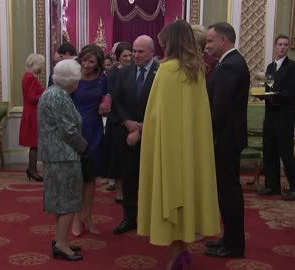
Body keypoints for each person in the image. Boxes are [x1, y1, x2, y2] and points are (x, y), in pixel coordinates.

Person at [134, 20, 220, 270]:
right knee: (187, 193)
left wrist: (146, 132)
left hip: (169, 147)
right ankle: (181, 249)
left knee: (171, 193)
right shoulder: (196, 70)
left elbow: (156, 114)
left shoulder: (168, 69)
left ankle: (174, 256)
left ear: (171, 43)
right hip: (190, 148)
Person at [204, 22, 249, 258]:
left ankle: (233, 244)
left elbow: (218, 109)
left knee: (228, 193)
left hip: (225, 141)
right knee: (226, 192)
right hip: (225, 139)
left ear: (224, 40)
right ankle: (229, 238)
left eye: (210, 40)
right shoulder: (227, 63)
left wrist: (205, 137)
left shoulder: (231, 65)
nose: (207, 45)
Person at [38, 59, 88, 261]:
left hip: (54, 155)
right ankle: (61, 244)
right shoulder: (60, 97)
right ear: (71, 81)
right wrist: (83, 147)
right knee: (68, 202)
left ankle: (62, 240)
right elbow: (68, 130)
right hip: (64, 156)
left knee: (60, 201)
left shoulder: (50, 92)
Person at [112, 35, 158, 235]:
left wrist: (142, 128)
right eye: (134, 51)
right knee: (129, 179)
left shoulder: (161, 73)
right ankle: (129, 219)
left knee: (152, 180)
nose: (135, 56)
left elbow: (162, 106)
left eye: (140, 52)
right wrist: (126, 122)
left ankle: (153, 221)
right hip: (128, 134)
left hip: (154, 135)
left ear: (151, 52)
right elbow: (117, 101)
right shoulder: (125, 73)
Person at [257, 34, 295, 200]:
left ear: (288, 47)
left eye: (285, 44)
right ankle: (272, 186)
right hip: (270, 115)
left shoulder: (293, 66)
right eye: (280, 44)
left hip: (284, 116)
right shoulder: (270, 68)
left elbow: (291, 92)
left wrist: (271, 96)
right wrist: (263, 95)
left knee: (286, 153)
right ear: (275, 47)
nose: (282, 47)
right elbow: (268, 88)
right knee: (269, 151)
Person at [70, 44, 109, 237]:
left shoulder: (103, 79)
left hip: (94, 130)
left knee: (91, 178)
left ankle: (88, 216)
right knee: (77, 177)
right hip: (75, 131)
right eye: (84, 60)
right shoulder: (73, 77)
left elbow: (107, 96)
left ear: (98, 63)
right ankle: (76, 218)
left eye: (91, 61)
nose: (86, 64)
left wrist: (105, 101)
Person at [104, 41, 133, 201]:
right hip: (117, 120)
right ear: (118, 57)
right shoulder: (113, 73)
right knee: (118, 157)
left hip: (134, 120)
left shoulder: (135, 70)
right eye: (125, 56)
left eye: (130, 55)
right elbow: (113, 96)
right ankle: (119, 191)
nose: (128, 58)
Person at [20, 53, 45, 181]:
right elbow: (31, 98)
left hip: (32, 112)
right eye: (41, 64)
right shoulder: (30, 77)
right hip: (33, 113)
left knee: (34, 144)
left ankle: (32, 169)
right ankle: (32, 169)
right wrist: (46, 94)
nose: (42, 67)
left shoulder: (30, 76)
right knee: (34, 144)